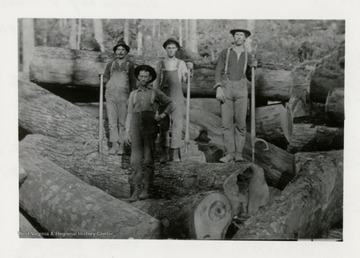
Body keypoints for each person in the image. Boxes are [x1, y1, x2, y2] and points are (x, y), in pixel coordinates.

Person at [124, 65, 175, 202]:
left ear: (150, 78)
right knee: (135, 161)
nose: (143, 79)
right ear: (138, 78)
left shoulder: (156, 93)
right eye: (141, 76)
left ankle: (146, 190)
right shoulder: (133, 94)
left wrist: (162, 115)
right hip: (135, 126)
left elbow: (171, 104)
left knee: (148, 159)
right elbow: (129, 113)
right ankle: (135, 191)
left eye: (146, 76)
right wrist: (126, 131)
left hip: (149, 127)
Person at [214, 29, 257, 163]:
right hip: (226, 87)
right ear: (233, 37)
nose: (239, 37)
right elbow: (218, 70)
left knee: (241, 124)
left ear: (245, 38)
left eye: (241, 35)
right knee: (226, 124)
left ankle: (239, 153)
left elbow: (250, 77)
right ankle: (229, 153)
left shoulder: (248, 55)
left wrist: (254, 67)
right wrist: (218, 88)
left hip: (241, 89)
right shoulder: (225, 53)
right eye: (237, 35)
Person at [153, 38, 189, 163]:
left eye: (173, 48)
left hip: (177, 97)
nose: (171, 50)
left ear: (177, 49)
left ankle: (175, 154)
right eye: (169, 48)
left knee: (177, 125)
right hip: (164, 96)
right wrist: (156, 98)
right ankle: (164, 153)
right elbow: (156, 83)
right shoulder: (160, 64)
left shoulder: (181, 63)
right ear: (165, 49)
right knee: (163, 125)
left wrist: (190, 72)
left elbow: (186, 80)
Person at [103, 41, 136, 155]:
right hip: (111, 94)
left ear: (126, 52)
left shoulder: (130, 65)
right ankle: (114, 144)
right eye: (118, 50)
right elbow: (106, 77)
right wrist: (104, 82)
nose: (120, 52)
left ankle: (122, 145)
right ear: (115, 52)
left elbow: (133, 82)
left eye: (123, 50)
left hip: (124, 95)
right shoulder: (110, 64)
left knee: (122, 121)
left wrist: (131, 96)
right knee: (112, 121)